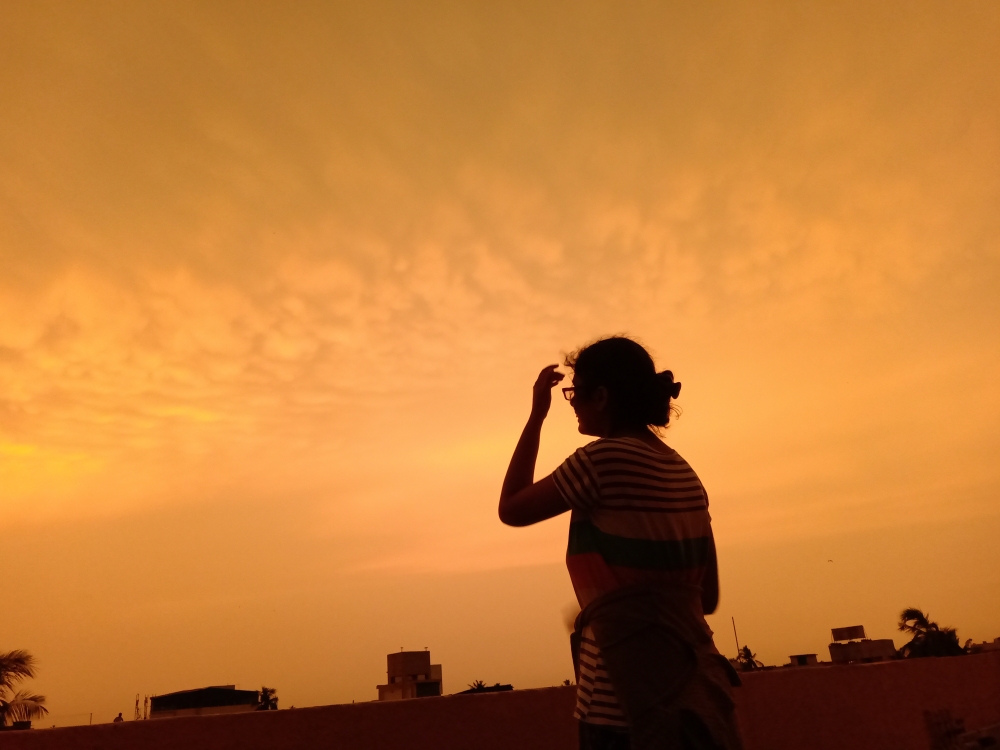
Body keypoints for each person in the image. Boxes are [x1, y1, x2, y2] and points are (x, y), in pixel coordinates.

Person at [498, 336, 743, 750]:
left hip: (619, 702)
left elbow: (512, 508)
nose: (571, 403)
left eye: (574, 393)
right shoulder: (686, 473)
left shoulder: (600, 460)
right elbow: (708, 595)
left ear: (602, 396)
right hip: (694, 697)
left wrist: (536, 416)